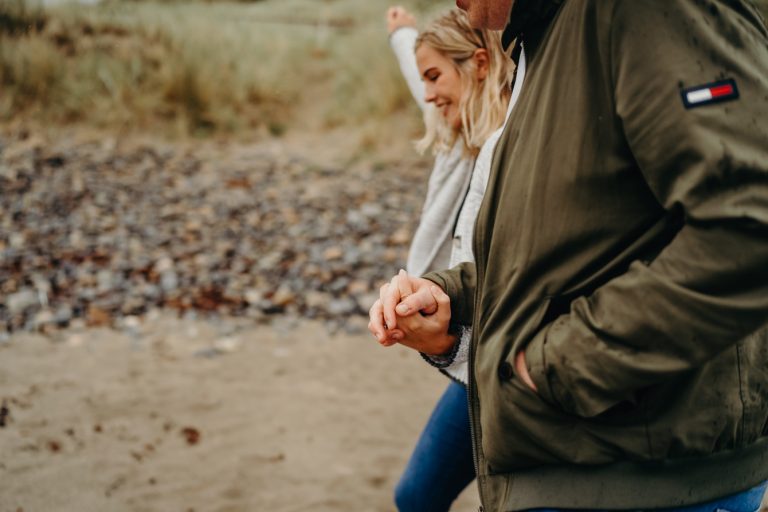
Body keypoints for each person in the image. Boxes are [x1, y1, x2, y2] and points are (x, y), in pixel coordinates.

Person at [370, 0, 768, 511]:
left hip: (646, 479)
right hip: (582, 460)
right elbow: (574, 245)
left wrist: (560, 366)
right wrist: (452, 295)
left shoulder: (637, 12)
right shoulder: (548, 39)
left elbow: (750, 228)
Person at [385, 7, 513, 511]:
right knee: (416, 496)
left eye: (437, 75)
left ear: (479, 64)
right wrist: (404, 37)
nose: (430, 95)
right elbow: (426, 87)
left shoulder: (519, 141)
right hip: (467, 364)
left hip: (509, 362)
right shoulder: (456, 133)